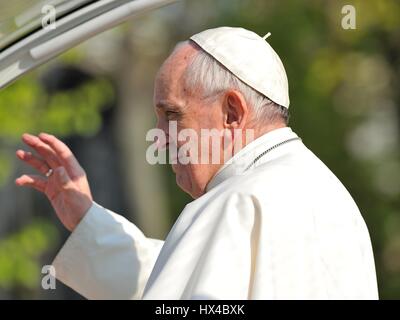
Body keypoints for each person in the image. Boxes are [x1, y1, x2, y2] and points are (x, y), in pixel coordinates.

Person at [15, 27, 378, 299]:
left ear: (233, 113)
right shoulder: (324, 192)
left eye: (172, 114)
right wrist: (87, 222)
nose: (160, 136)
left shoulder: (237, 201)